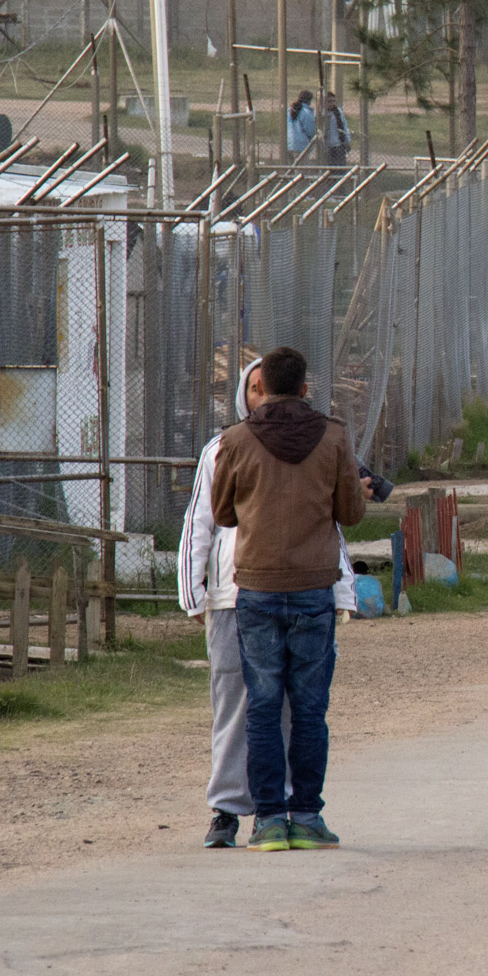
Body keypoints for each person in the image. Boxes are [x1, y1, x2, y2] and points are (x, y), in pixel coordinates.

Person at [179, 358, 358, 848]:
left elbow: (326, 525)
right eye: (251, 389)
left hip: (264, 589)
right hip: (240, 594)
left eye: (264, 387)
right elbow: (201, 525)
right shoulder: (225, 446)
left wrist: (345, 590)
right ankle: (232, 810)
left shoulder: (269, 443)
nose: (260, 396)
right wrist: (195, 592)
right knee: (245, 708)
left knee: (272, 709)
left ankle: (272, 812)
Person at [321, 92, 351, 166]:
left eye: (333, 101)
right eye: (329, 101)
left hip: (338, 144)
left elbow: (344, 126)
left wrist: (347, 141)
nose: (332, 104)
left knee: (340, 167)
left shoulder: (338, 112)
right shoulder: (322, 113)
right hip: (327, 146)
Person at [286, 91, 316, 156]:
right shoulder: (306, 112)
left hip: (288, 144)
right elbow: (310, 130)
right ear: (309, 101)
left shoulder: (289, 110)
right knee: (302, 165)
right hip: (301, 146)